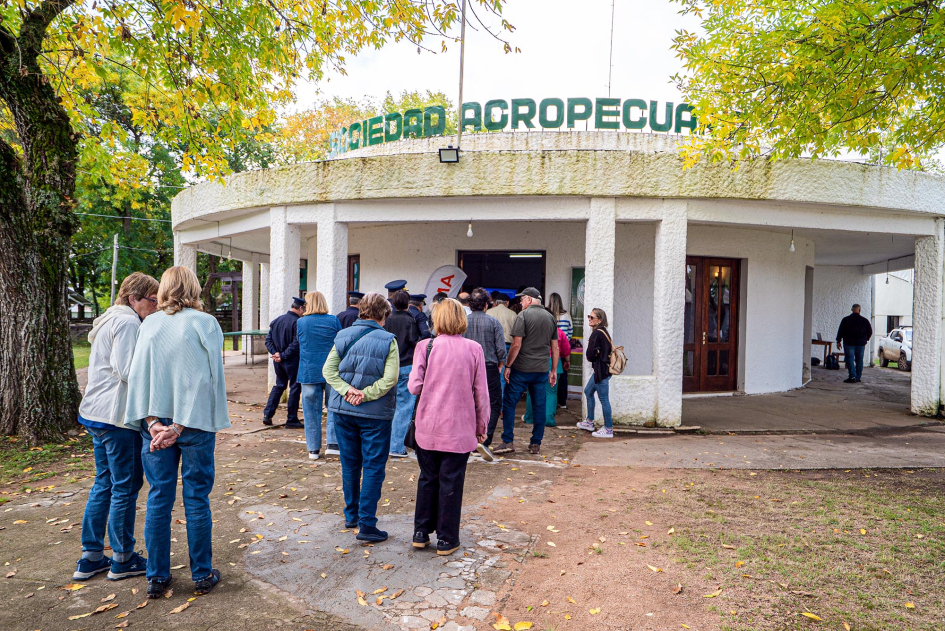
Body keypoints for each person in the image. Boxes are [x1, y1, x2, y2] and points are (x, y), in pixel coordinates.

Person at [124, 266, 230, 599]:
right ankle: (201, 574)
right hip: (194, 423)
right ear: (195, 288)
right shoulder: (205, 322)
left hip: (155, 424)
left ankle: (156, 577)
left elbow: (139, 375)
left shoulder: (150, 323)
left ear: (165, 289)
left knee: (158, 498)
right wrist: (178, 426)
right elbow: (208, 379)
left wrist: (155, 423)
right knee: (196, 498)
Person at [73, 272, 159, 582]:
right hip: (116, 418)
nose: (157, 305)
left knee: (104, 483)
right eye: (153, 300)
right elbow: (127, 371)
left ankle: (91, 556)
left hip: (96, 414)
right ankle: (122, 559)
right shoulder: (127, 322)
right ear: (133, 298)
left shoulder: (111, 318)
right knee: (125, 486)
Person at [408, 298, 489, 555]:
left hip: (428, 426)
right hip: (459, 428)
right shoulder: (474, 349)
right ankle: (446, 538)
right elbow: (481, 393)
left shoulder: (425, 346)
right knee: (451, 481)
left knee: (427, 478)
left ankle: (421, 532)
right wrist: (482, 425)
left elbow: (414, 387)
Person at [322, 292, 399, 542]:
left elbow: (328, 371)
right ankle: (367, 523)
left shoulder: (342, 335)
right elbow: (390, 379)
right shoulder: (389, 340)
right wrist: (364, 395)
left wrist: (347, 391)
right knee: (374, 466)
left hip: (343, 410)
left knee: (350, 463)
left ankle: (351, 514)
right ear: (383, 314)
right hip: (375, 414)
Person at [495, 288, 559, 455]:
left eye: (522, 299)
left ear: (529, 300)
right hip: (541, 369)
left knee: (509, 403)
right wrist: (553, 370)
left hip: (521, 369)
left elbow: (516, 344)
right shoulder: (550, 317)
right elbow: (555, 347)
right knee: (539, 406)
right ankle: (535, 443)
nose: (520, 303)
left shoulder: (522, 316)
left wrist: (508, 365)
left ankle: (507, 441)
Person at [297, 291, 342, 460]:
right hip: (331, 371)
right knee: (333, 407)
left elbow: (300, 342)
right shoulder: (333, 320)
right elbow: (340, 343)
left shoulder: (301, 322)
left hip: (309, 371)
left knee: (310, 412)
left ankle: (313, 449)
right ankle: (332, 443)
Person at [463, 288, 506, 451]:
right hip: (489, 367)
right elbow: (501, 349)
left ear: (471, 305)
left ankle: (470, 438)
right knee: (494, 403)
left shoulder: (463, 321)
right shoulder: (493, 322)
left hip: (467, 368)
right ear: (487, 305)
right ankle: (485, 438)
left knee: (469, 402)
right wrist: (501, 363)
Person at [384, 290, 420, 458]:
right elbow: (414, 342)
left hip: (389, 366)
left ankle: (387, 443)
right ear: (408, 304)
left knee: (389, 406)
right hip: (406, 365)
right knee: (404, 407)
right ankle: (397, 446)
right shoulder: (409, 320)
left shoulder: (387, 319)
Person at [263, 297, 305, 428]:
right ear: (300, 308)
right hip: (292, 360)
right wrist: (282, 355)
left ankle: (267, 415)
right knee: (294, 387)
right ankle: (292, 419)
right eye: (304, 309)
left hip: (278, 361)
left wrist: (275, 354)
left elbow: (268, 341)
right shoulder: (298, 322)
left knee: (279, 385)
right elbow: (296, 343)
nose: (305, 312)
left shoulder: (277, 320)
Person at [576, 308, 614, 437]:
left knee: (604, 399)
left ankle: (608, 428)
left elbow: (590, 355)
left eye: (592, 317)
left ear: (600, 320)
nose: (589, 319)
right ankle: (589, 421)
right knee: (588, 391)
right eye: (589, 316)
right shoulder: (603, 332)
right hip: (601, 370)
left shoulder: (597, 333)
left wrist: (592, 355)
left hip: (601, 371)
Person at [524, 327, 571, 428]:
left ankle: (530, 417)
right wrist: (567, 360)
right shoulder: (559, 332)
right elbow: (566, 350)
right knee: (551, 392)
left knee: (532, 391)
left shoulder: (532, 330)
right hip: (553, 362)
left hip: (534, 362)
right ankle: (548, 419)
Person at [547, 292, 573, 409]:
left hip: (549, 351)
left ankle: (551, 401)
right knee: (562, 376)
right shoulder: (566, 315)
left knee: (549, 378)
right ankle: (562, 402)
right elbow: (571, 331)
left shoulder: (547, 314)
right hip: (563, 348)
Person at [836, 303, 872, 384]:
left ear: (852, 310)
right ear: (859, 310)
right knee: (859, 360)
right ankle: (858, 377)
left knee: (849, 359)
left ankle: (852, 376)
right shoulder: (865, 321)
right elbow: (870, 331)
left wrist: (838, 341)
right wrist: (866, 339)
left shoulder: (845, 320)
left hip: (849, 343)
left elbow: (840, 331)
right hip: (861, 343)